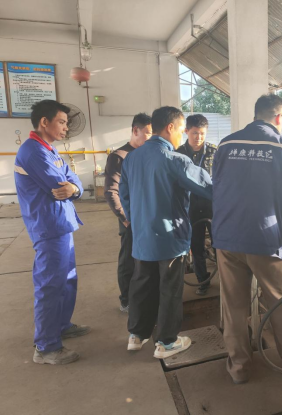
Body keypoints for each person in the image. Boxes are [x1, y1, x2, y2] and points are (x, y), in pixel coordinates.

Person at [212, 94, 282, 384]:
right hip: (266, 239)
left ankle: (239, 368)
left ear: (256, 115)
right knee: (280, 302)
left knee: (233, 307)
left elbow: (218, 184)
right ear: (278, 118)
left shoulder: (225, 144)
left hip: (227, 237)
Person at [120, 106, 213, 360]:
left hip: (142, 237)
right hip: (170, 238)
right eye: (182, 130)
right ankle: (166, 342)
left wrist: (139, 222)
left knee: (142, 284)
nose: (182, 135)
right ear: (170, 127)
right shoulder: (175, 160)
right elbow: (210, 188)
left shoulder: (132, 158)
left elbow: (125, 197)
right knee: (170, 289)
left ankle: (137, 335)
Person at [14, 100, 89, 366]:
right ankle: (46, 347)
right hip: (48, 227)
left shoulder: (50, 150)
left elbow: (72, 179)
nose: (66, 127)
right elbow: (58, 183)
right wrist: (71, 187)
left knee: (67, 280)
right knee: (50, 284)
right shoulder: (33, 152)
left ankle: (61, 325)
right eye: (62, 122)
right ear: (44, 122)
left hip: (61, 224)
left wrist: (75, 188)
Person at [104, 113, 152, 313]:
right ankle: (126, 300)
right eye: (148, 133)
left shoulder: (149, 154)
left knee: (146, 262)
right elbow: (111, 191)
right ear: (135, 130)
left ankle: (145, 297)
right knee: (129, 262)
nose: (150, 138)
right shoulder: (120, 156)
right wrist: (126, 219)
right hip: (131, 220)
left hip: (148, 218)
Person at [176, 114, 217, 297]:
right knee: (196, 246)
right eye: (194, 133)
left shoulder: (215, 152)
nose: (198, 137)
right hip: (190, 207)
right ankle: (203, 281)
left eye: (202, 133)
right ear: (186, 131)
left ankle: (225, 278)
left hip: (213, 206)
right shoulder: (178, 153)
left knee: (219, 245)